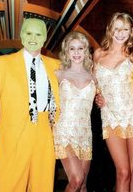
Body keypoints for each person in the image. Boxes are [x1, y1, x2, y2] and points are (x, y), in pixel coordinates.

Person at [0, 18, 60, 192]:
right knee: (5, 186)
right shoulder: (1, 64)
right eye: (28, 33)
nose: (33, 38)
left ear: (44, 38)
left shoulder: (56, 66)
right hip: (12, 136)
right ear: (21, 35)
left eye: (38, 34)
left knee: (42, 187)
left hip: (46, 134)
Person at [93, 12, 133, 192]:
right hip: (110, 117)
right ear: (110, 29)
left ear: (131, 32)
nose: (121, 33)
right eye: (117, 28)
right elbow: (94, 83)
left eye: (125, 29)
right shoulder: (98, 54)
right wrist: (97, 96)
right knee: (122, 171)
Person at [53, 31, 96, 192]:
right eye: (72, 49)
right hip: (64, 133)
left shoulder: (94, 76)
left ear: (86, 51)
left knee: (83, 185)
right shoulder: (58, 74)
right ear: (66, 51)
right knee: (76, 180)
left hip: (85, 134)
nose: (76, 53)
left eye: (80, 48)